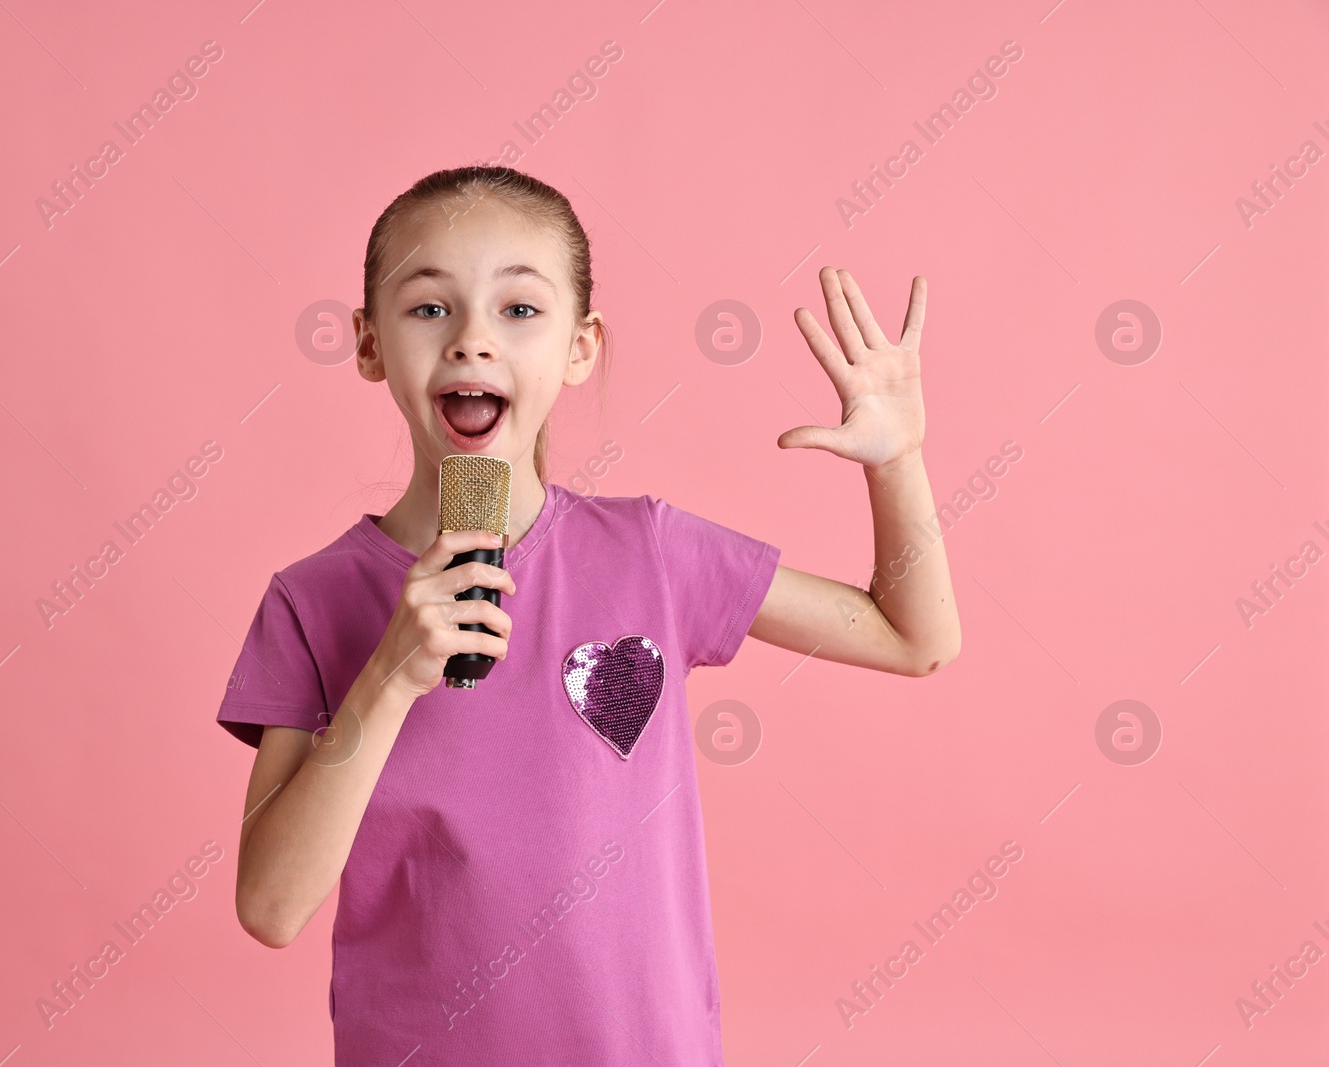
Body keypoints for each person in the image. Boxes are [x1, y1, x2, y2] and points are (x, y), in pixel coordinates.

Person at [216, 165, 960, 1065]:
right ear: (369, 345)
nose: (473, 343)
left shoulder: (650, 549)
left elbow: (914, 639)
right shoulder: (312, 598)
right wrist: (390, 675)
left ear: (581, 346)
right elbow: (270, 906)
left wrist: (897, 462)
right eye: (429, 308)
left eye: (520, 310)